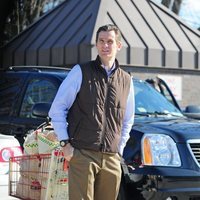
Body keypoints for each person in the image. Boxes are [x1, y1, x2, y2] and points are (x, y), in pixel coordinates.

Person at [48, 24, 135, 200]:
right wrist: (65, 145)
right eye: (101, 41)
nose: (105, 46)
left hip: (111, 157)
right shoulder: (80, 72)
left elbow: (128, 119)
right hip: (82, 154)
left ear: (118, 45)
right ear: (96, 44)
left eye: (110, 41)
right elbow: (57, 109)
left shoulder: (126, 80)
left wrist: (119, 149)